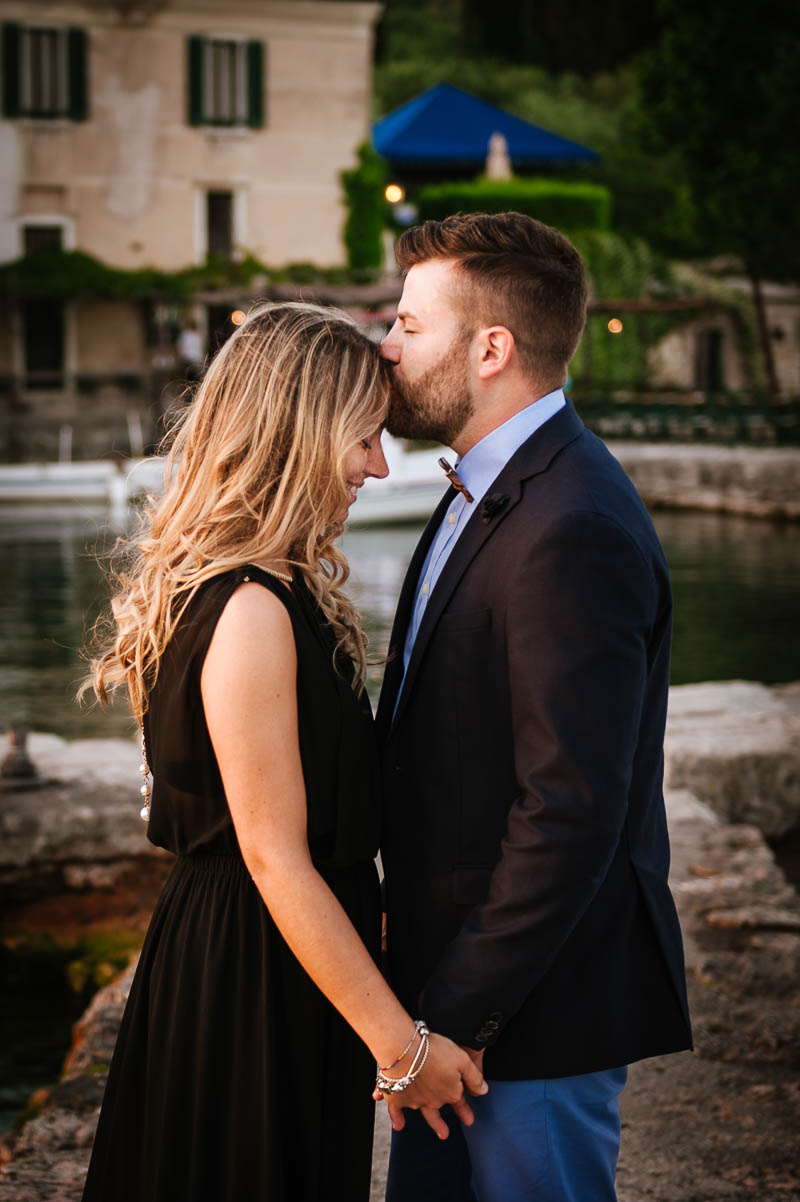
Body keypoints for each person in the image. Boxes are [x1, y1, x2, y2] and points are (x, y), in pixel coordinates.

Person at [79, 301, 485, 1202]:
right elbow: (272, 859)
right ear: (300, 433)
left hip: (274, 965)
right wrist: (400, 1047)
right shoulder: (252, 608)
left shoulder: (275, 587)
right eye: (366, 438)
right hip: (250, 982)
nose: (380, 466)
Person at [376, 213, 693, 1201]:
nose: (384, 347)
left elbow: (567, 807)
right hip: (460, 996)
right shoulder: (490, 484)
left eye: (406, 324)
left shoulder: (572, 522)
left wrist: (452, 1019)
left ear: (491, 348)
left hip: (530, 1013)